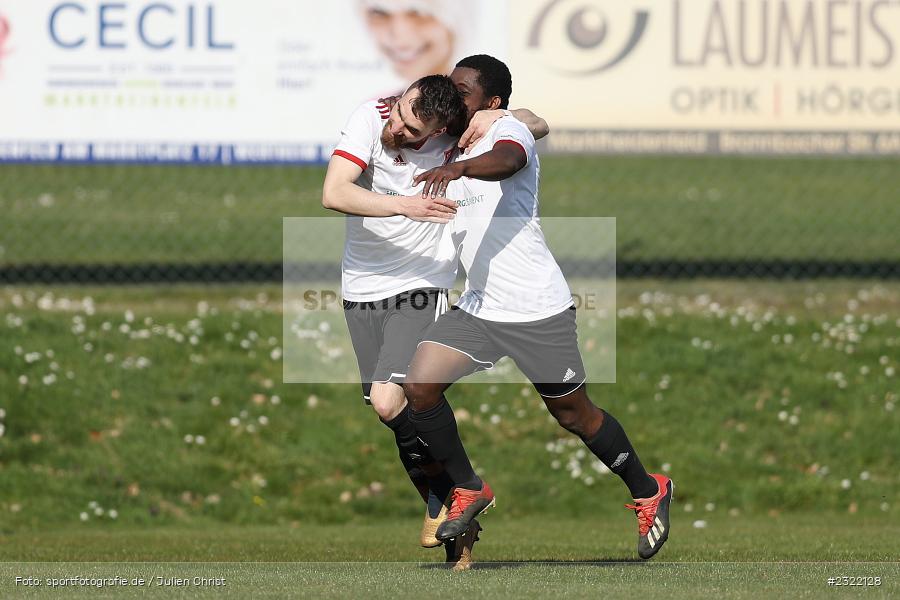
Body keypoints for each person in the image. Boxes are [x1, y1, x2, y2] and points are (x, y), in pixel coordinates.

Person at [403, 55, 675, 560]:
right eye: (450, 87)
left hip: (536, 308)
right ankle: (469, 488)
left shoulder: (506, 132)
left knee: (575, 416)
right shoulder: (452, 138)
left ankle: (648, 490)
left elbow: (509, 159)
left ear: (491, 101)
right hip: (481, 308)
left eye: (463, 91)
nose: (453, 97)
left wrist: (458, 166)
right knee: (420, 387)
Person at [321, 72, 551, 569]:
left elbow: (538, 124)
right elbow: (334, 193)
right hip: (361, 287)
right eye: (401, 113)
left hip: (422, 284)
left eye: (412, 131)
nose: (398, 129)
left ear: (440, 131)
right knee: (390, 413)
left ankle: (458, 490)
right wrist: (404, 206)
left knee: (391, 400)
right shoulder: (371, 117)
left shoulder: (456, 136)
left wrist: (499, 116)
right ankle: (453, 503)